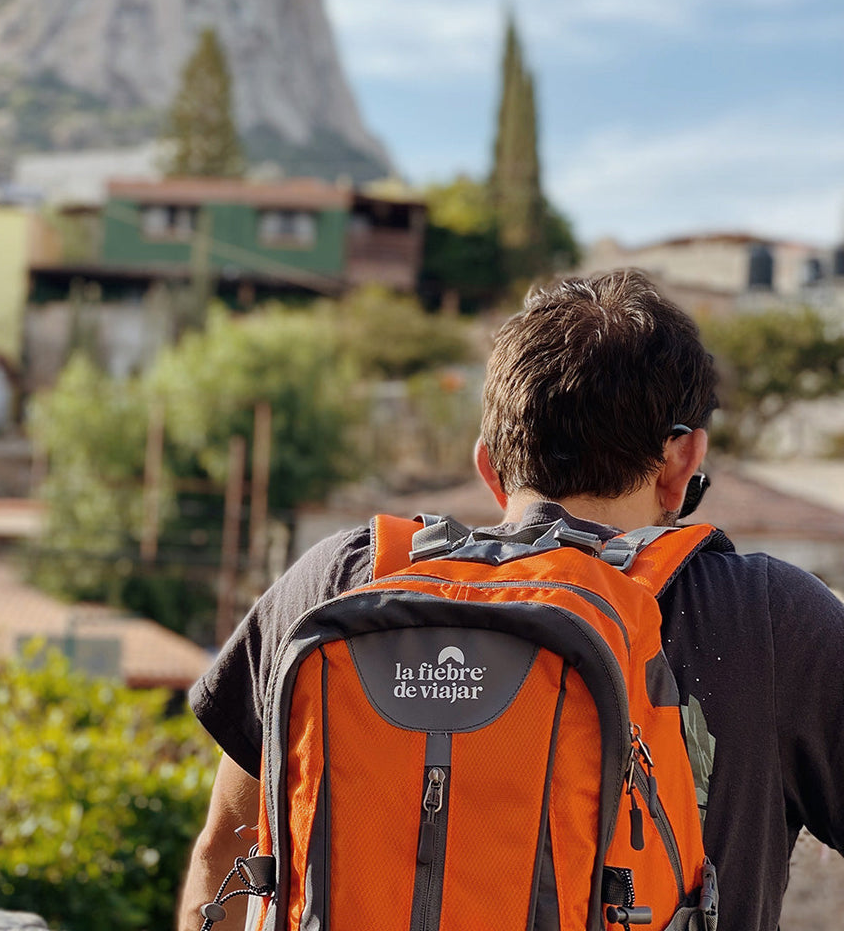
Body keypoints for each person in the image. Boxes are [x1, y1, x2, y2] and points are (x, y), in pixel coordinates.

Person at [178, 268, 844, 931]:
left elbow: (226, 848)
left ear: (489, 466)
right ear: (681, 462)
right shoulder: (770, 617)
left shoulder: (340, 581)